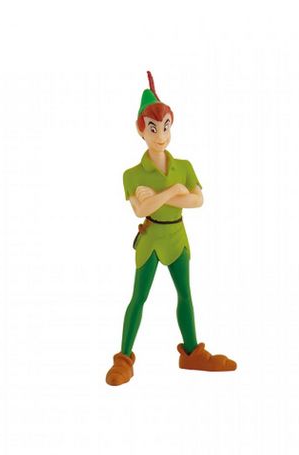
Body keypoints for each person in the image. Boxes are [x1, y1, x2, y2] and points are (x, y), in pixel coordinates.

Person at [105, 71, 237, 386]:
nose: (161, 135)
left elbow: (197, 200)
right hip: (151, 238)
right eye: (153, 128)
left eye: (166, 126)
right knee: (139, 297)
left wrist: (162, 195)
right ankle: (124, 358)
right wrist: (173, 191)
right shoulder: (132, 174)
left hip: (177, 236)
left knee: (185, 294)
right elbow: (141, 210)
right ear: (140, 130)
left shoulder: (184, 166)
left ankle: (191, 353)